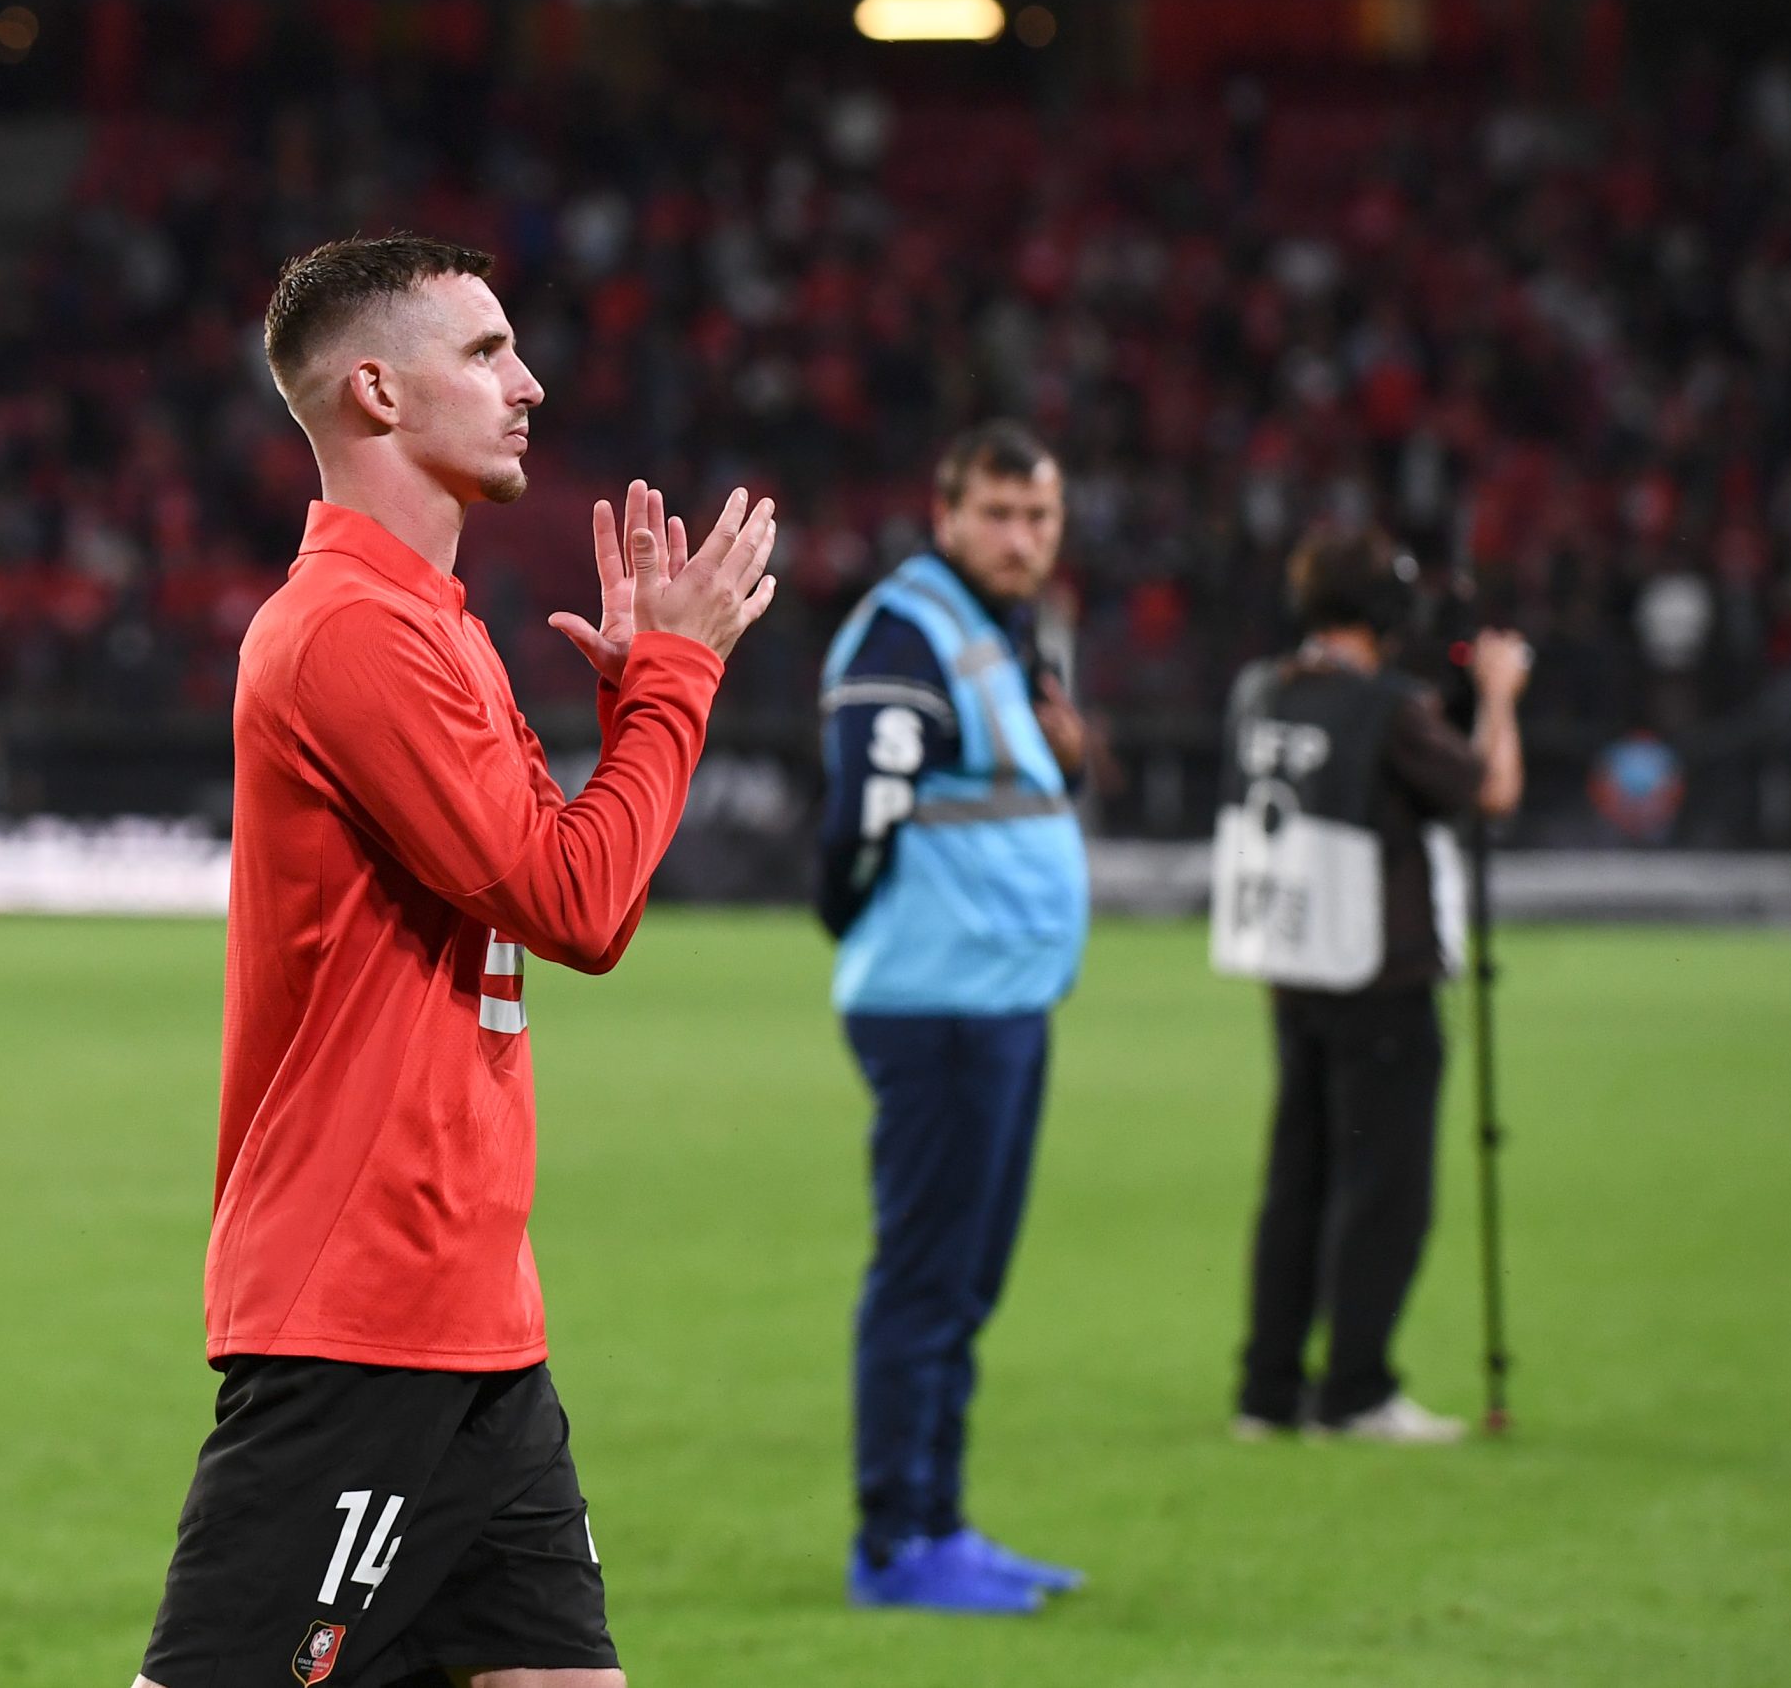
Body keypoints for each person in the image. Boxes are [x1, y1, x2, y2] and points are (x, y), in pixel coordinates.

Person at [134, 235, 778, 1688]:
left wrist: (641, 711)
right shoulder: (351, 636)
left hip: (472, 1315)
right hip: (358, 1312)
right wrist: (676, 686)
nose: (529, 382)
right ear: (374, 387)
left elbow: (559, 873)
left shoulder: (437, 630)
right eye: (485, 352)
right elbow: (577, 901)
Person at [814, 422, 1092, 1615]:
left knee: (962, 1283)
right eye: (998, 514)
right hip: (939, 1006)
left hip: (997, 999)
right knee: (927, 1280)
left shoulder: (996, 632)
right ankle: (895, 1542)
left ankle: (941, 1522)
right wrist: (847, 914)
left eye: (1039, 518)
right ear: (946, 514)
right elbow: (859, 813)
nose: (1021, 539)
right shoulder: (905, 631)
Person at [1212, 527, 1528, 1445]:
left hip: (1291, 967)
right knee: (1385, 1189)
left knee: (1295, 1184)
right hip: (1379, 975)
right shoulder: (1386, 707)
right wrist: (1499, 698)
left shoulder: (1258, 690)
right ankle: (1354, 1390)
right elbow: (1488, 789)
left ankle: (1266, 1391)